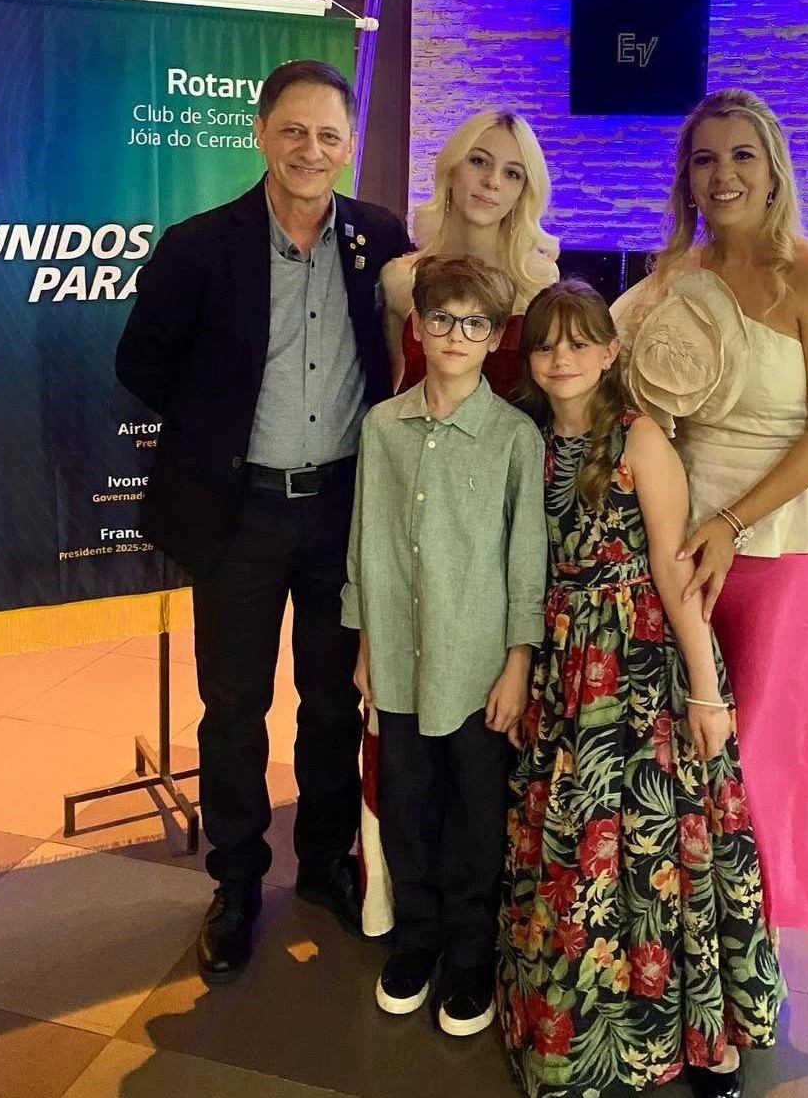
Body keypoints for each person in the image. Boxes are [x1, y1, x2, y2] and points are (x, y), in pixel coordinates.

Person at [115, 59, 411, 985]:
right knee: (234, 706)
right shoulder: (200, 245)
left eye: (328, 135)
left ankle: (322, 862)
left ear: (349, 145)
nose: (310, 150)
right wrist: (217, 427)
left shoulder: (379, 238)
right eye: (293, 130)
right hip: (238, 513)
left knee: (332, 700)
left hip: (341, 512)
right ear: (260, 133)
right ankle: (236, 883)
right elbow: (140, 363)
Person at [498, 280, 781, 1098]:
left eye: (579, 341)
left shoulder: (639, 437)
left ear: (610, 350)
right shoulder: (522, 438)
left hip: (643, 661)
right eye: (546, 343)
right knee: (576, 843)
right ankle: (584, 1036)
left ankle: (705, 1039)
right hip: (563, 665)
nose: (562, 357)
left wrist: (706, 690)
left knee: (664, 842)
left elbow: (672, 565)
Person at [612, 88, 808, 931]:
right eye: (704, 158)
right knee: (684, 736)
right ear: (686, 178)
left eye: (741, 155)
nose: (723, 173)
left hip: (785, 539)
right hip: (679, 532)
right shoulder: (673, 278)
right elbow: (604, 364)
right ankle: (687, 926)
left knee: (763, 742)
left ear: (773, 170)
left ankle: (756, 933)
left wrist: (733, 523)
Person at [343, 255, 547, 1036]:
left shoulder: (514, 437)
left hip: (475, 664)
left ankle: (468, 951)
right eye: (440, 318)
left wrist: (518, 661)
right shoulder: (382, 427)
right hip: (398, 653)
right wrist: (366, 642)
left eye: (474, 322)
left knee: (474, 810)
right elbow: (365, 540)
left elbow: (525, 557)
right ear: (418, 327)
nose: (455, 334)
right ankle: (417, 937)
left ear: (495, 337)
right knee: (407, 800)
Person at [379, 110, 559, 398]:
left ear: (522, 193)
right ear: (452, 169)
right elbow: (388, 396)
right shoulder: (398, 279)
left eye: (512, 173)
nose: (492, 181)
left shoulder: (539, 280)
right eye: (479, 161)